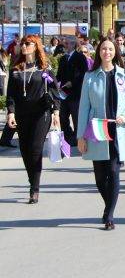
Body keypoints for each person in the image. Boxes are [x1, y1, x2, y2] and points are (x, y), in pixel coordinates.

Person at [77, 39, 125, 230]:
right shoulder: (90, 77)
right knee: (99, 176)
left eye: (110, 49)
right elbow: (83, 108)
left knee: (113, 172)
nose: (107, 52)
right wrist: (81, 136)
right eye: (104, 48)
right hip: (97, 130)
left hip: (117, 130)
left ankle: (109, 215)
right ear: (99, 52)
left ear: (115, 52)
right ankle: (108, 206)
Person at [6, 35, 61, 204]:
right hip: (22, 115)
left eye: (27, 43)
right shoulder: (16, 69)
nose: (23, 46)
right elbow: (11, 95)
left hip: (41, 114)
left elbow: (55, 92)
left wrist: (56, 113)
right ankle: (32, 180)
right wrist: (11, 112)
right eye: (22, 44)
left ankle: (34, 189)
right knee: (25, 150)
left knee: (35, 149)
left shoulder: (44, 69)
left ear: (35, 46)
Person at [56, 36, 89, 147]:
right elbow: (59, 75)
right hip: (64, 93)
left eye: (68, 43)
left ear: (74, 44)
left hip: (76, 93)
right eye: (65, 43)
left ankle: (77, 137)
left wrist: (73, 83)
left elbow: (84, 74)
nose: (66, 45)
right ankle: (67, 136)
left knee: (76, 117)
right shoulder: (63, 58)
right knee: (62, 116)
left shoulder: (80, 57)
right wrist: (56, 83)